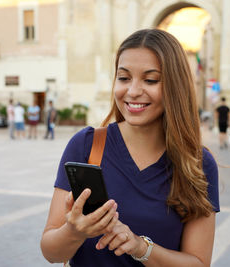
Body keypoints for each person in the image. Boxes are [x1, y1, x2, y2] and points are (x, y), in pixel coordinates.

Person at [41, 29, 219, 266]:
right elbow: (51, 252)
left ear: (175, 87)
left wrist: (140, 247)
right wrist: (75, 231)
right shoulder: (86, 145)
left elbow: (198, 262)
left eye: (151, 80)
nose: (133, 91)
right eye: (124, 78)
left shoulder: (198, 163)